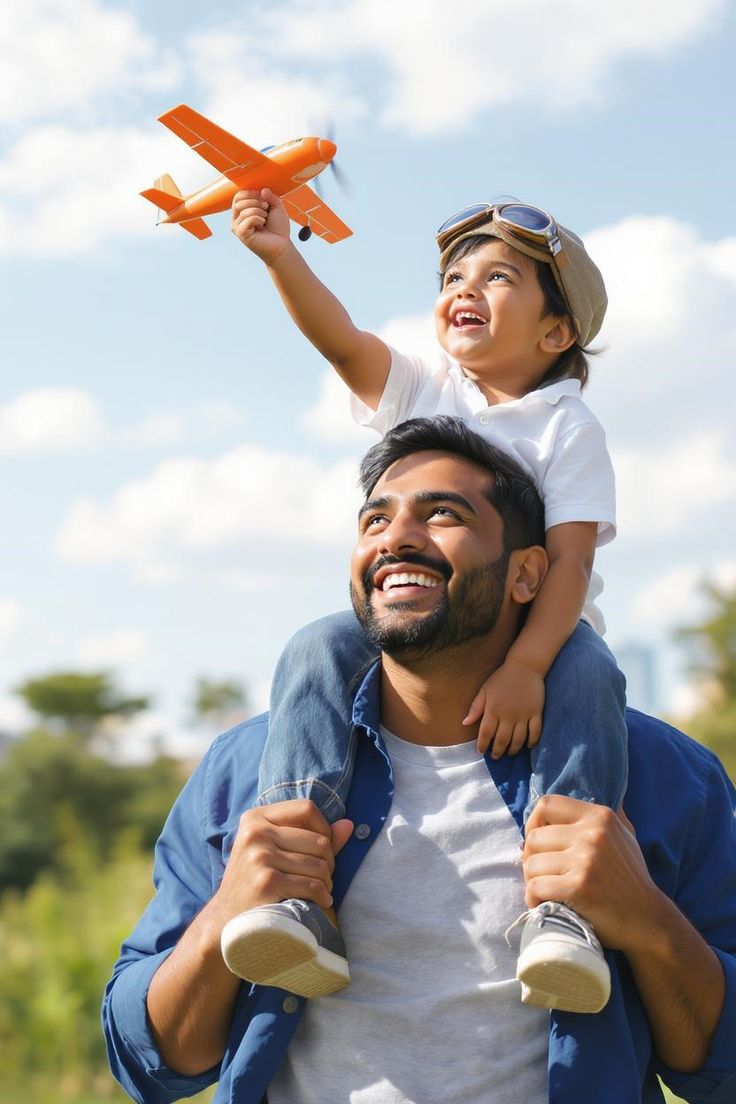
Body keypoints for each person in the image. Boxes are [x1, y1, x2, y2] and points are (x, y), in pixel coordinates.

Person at [103, 418, 736, 1104]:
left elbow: (721, 1072)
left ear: (527, 573)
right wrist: (225, 914)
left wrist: (645, 919)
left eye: (442, 514)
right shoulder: (246, 771)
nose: (397, 537)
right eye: (375, 519)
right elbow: (151, 1063)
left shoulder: (668, 777)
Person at [222, 192, 622, 1012]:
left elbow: (572, 561)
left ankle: (562, 913)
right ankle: (297, 888)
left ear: (556, 334)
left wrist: (526, 665)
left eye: (499, 275)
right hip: (413, 623)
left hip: (533, 626)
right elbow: (339, 341)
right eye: (453, 274)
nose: (464, 287)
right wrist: (279, 257)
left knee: (589, 676)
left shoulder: (564, 424)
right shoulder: (427, 387)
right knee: (316, 646)